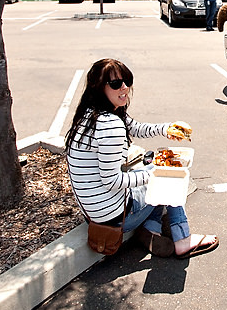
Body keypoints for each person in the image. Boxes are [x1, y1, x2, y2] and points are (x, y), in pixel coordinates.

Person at [65, 58, 218, 258]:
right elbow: (112, 181)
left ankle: (151, 229)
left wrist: (165, 128)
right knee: (172, 172)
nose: (125, 88)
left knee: (152, 165)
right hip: (117, 218)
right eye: (115, 84)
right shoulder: (109, 125)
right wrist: (160, 172)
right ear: (98, 87)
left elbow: (135, 128)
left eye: (127, 81)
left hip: (96, 215)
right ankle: (182, 239)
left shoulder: (90, 114)